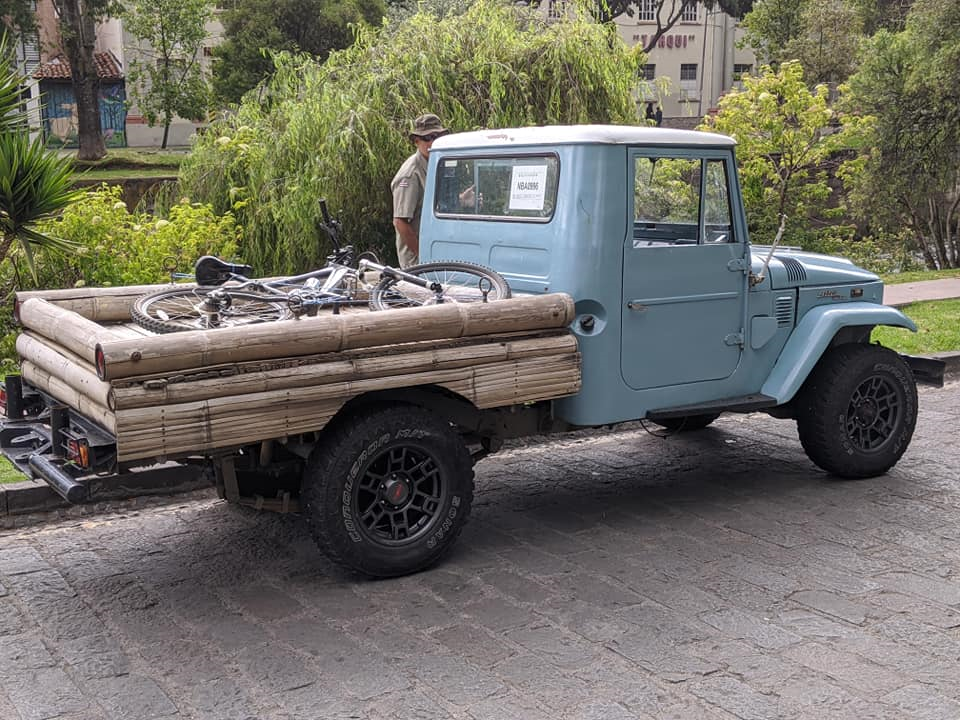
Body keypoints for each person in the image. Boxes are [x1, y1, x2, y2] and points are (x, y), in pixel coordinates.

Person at [393, 113, 467, 268]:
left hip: (438, 251)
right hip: (418, 260)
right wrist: (424, 256)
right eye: (428, 138)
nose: (433, 142)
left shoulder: (438, 163)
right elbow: (400, 222)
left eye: (437, 136)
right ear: (416, 141)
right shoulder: (411, 173)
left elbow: (431, 204)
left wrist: (461, 200)